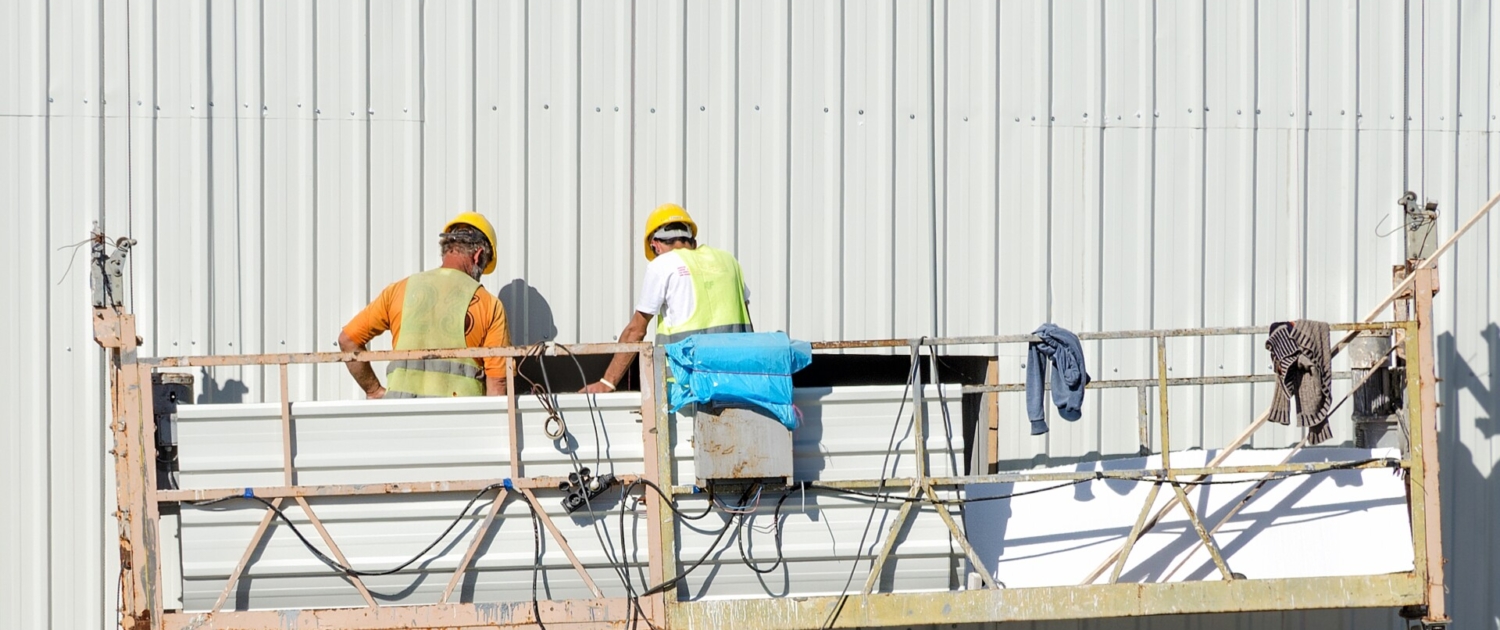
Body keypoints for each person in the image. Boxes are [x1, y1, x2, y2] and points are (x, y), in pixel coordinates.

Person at [582, 203, 751, 394]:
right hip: (738, 381)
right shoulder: (728, 261)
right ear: (692, 242)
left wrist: (608, 382)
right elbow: (745, 316)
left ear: (655, 246)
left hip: (687, 386)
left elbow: (636, 331)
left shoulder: (662, 265)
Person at [339, 212, 510, 398]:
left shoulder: (398, 291)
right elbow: (498, 383)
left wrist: (374, 391)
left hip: (400, 418)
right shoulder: (489, 305)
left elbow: (348, 341)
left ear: (446, 249)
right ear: (478, 256)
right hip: (459, 420)